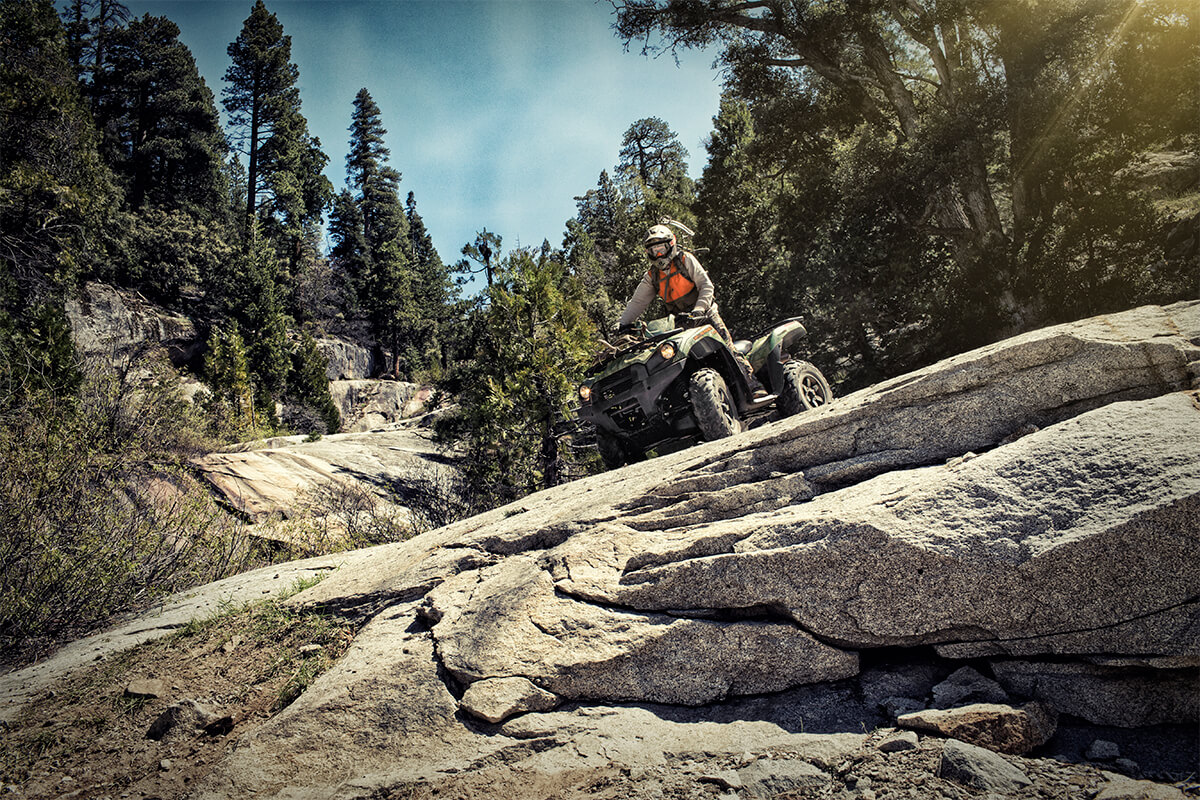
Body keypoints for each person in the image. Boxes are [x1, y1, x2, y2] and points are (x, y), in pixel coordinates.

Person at [618, 224, 765, 396]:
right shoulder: (652, 276)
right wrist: (622, 325)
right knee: (677, 364)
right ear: (648, 253)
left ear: (671, 244)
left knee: (728, 348)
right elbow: (637, 302)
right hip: (681, 323)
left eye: (661, 248)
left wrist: (699, 309)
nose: (658, 254)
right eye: (653, 250)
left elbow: (706, 285)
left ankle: (754, 385)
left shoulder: (685, 260)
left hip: (705, 315)